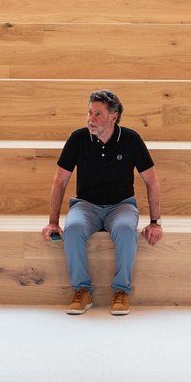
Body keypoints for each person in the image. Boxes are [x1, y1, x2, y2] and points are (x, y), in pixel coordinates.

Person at [42, 90, 163, 316]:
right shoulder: (78, 138)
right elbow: (60, 180)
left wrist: (155, 222)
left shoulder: (131, 139)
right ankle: (82, 291)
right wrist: (53, 222)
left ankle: (121, 291)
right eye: (90, 112)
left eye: (98, 114)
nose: (91, 119)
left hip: (121, 205)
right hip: (85, 205)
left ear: (113, 117)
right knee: (73, 229)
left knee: (126, 230)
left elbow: (152, 180)